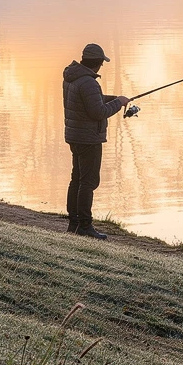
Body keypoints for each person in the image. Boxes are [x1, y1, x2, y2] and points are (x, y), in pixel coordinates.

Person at [62, 43, 130, 238]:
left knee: (77, 179)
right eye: (101, 63)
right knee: (88, 182)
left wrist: (116, 99)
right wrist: (118, 103)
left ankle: (74, 223)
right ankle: (85, 226)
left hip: (75, 136)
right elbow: (98, 112)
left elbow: (90, 101)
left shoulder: (72, 77)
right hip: (88, 139)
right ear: (98, 63)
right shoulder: (89, 82)